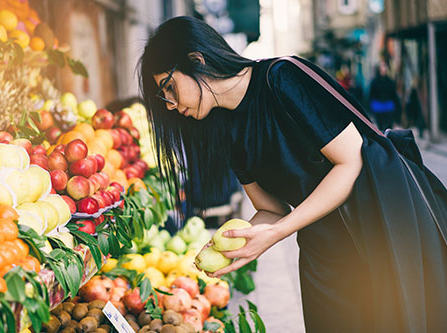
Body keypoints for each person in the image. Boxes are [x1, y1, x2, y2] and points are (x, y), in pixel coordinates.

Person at [139, 16, 447, 332]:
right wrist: (238, 244)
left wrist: (278, 232)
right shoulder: (228, 131)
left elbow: (350, 161)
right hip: (324, 254)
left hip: (381, 229)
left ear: (196, 60)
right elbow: (271, 209)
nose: (172, 105)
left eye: (169, 87)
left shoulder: (282, 77)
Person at [368, 62, 401, 131]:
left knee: (388, 127)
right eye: (382, 67)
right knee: (380, 126)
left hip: (388, 107)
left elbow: (393, 94)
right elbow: (371, 95)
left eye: (384, 67)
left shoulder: (390, 81)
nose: (383, 69)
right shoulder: (375, 82)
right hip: (378, 107)